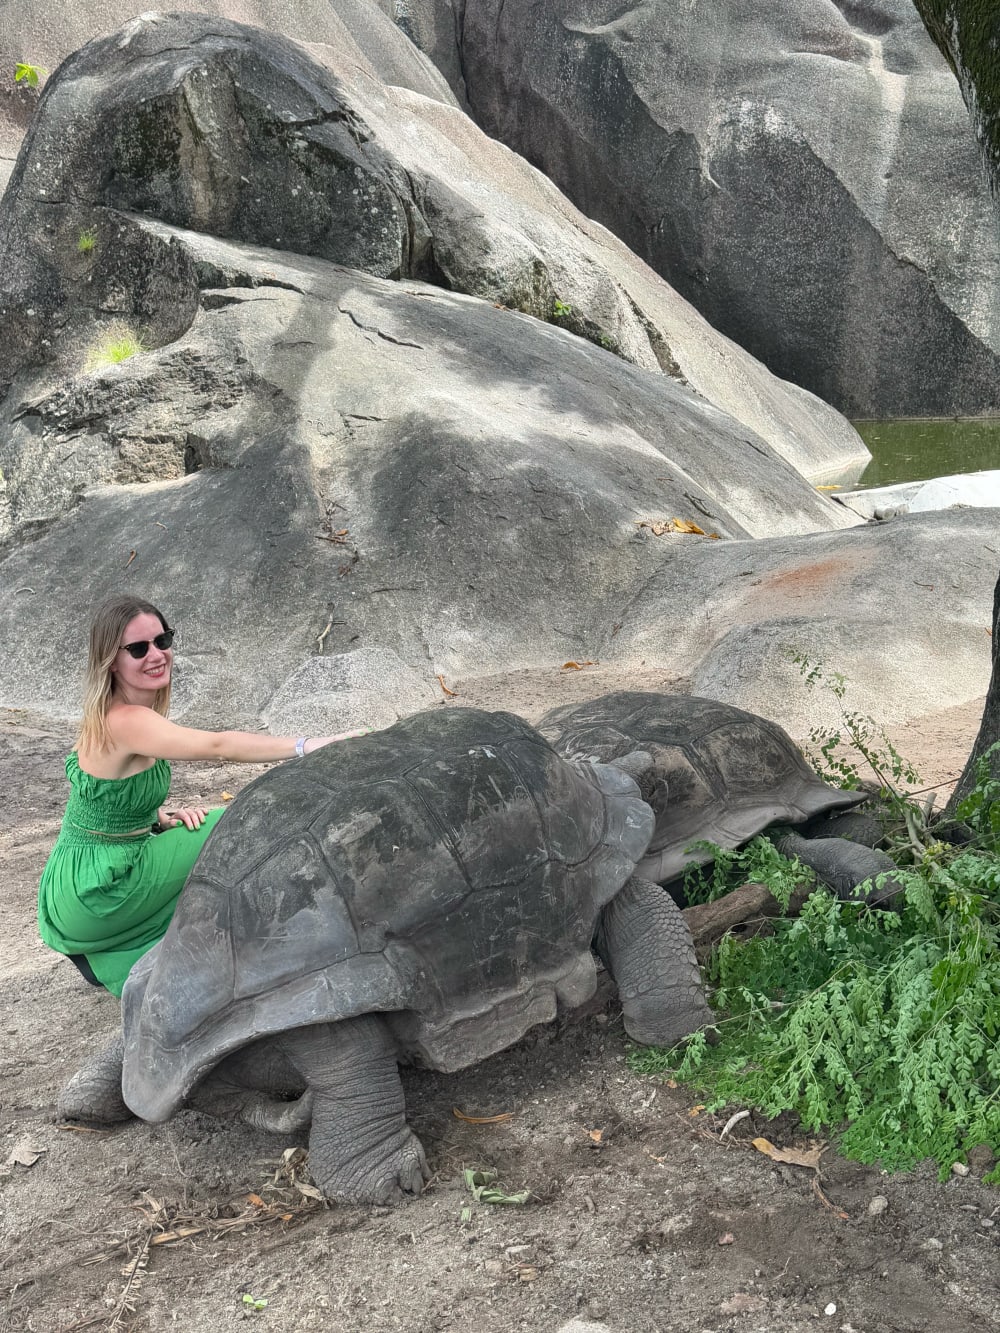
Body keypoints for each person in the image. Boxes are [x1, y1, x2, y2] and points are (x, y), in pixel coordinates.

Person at [38, 595, 367, 997]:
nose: (156, 655)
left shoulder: (109, 712)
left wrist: (156, 819)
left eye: (163, 640)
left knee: (207, 826)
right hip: (101, 888)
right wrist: (308, 746)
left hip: (77, 880)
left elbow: (99, 794)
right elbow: (218, 746)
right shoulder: (127, 720)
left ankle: (142, 953)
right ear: (111, 660)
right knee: (244, 821)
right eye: (139, 648)